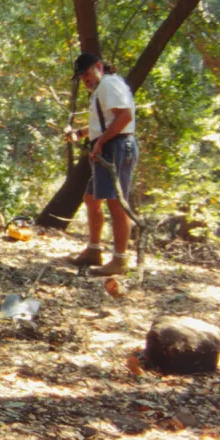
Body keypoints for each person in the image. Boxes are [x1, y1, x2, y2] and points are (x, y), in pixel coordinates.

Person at [66, 52, 138, 276]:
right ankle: (94, 250)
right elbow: (107, 121)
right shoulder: (101, 89)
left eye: (87, 73)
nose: (85, 79)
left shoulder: (109, 84)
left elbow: (124, 117)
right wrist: (81, 133)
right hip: (107, 146)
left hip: (117, 146)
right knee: (91, 197)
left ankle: (120, 260)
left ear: (99, 66)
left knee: (116, 203)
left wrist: (101, 143)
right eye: (81, 77)